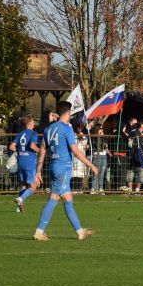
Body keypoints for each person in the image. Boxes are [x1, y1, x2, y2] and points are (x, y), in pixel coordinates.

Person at [32, 100, 98, 241]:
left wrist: (38, 171)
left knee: (68, 198)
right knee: (54, 198)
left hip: (54, 166)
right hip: (63, 168)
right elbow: (76, 151)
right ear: (68, 113)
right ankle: (39, 231)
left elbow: (42, 151)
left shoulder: (48, 129)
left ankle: (80, 231)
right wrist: (91, 165)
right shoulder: (67, 129)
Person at [8, 113, 40, 213]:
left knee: (24, 185)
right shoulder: (33, 133)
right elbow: (32, 145)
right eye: (33, 122)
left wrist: (21, 152)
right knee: (34, 186)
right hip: (29, 162)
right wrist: (40, 151)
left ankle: (18, 207)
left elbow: (11, 147)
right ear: (30, 123)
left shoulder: (20, 134)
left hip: (21, 161)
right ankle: (21, 198)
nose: (34, 124)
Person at [90, 123, 109, 194]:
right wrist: (99, 137)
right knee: (95, 172)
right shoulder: (94, 137)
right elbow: (96, 146)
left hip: (103, 155)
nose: (102, 130)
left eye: (102, 128)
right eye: (101, 128)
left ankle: (100, 188)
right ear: (97, 129)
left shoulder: (103, 137)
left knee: (102, 173)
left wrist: (103, 138)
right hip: (96, 156)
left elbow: (106, 147)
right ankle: (93, 188)